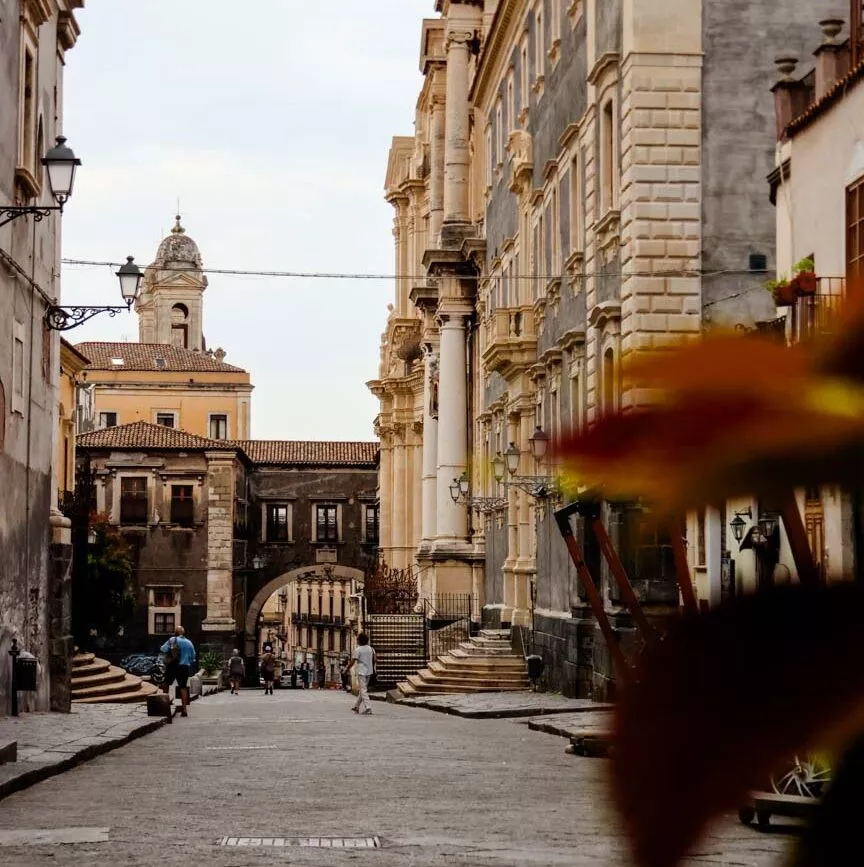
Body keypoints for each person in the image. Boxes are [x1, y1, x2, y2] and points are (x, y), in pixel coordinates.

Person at [160, 626, 196, 718]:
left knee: (165, 683)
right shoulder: (189, 642)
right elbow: (193, 656)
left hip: (172, 665)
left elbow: (163, 649)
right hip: (184, 667)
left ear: (175, 632)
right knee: (183, 687)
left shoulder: (172, 639)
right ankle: (184, 710)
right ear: (183, 633)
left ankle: (165, 706)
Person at [346, 632, 376, 715]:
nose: (356, 640)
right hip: (369, 671)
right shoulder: (371, 649)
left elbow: (352, 661)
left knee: (363, 690)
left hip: (361, 672)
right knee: (363, 690)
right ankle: (356, 706)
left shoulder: (358, 649)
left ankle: (368, 707)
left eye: (357, 639)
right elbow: (375, 659)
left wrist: (347, 669)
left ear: (360, 640)